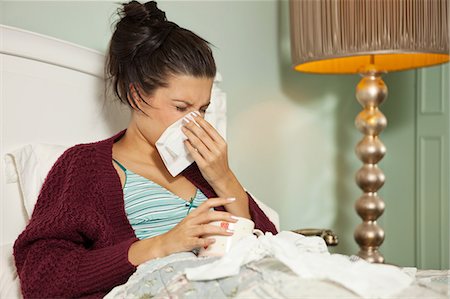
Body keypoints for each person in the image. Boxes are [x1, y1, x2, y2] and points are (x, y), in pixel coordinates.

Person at [13, 1, 277, 298]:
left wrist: (225, 178)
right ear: (136, 94)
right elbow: (43, 277)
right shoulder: (84, 165)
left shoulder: (202, 167)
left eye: (203, 109)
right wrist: (161, 244)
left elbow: (274, 252)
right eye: (181, 107)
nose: (195, 121)